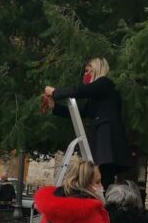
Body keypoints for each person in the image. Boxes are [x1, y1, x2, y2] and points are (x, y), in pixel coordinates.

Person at [44, 57, 131, 190]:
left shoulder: (104, 84)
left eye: (87, 71)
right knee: (99, 177)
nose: (85, 75)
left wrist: (56, 92)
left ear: (96, 70)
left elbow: (79, 91)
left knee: (102, 177)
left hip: (107, 140)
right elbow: (81, 112)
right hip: (100, 140)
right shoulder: (96, 96)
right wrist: (54, 106)